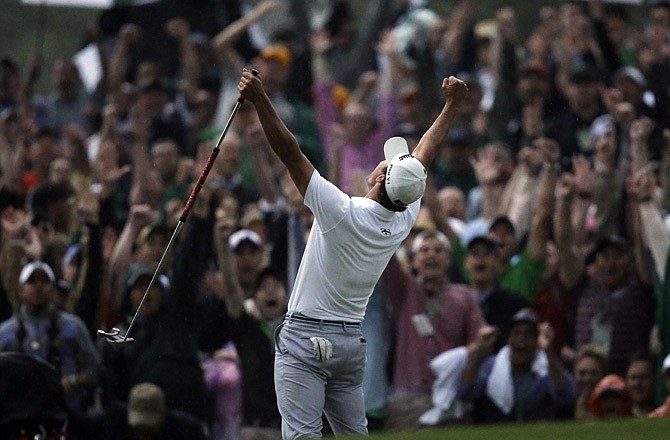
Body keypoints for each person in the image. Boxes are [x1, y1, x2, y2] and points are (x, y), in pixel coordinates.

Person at [237, 68, 468, 438]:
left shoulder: (341, 212)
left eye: (385, 164)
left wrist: (261, 99)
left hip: (305, 340)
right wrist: (451, 108)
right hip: (348, 345)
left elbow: (291, 154)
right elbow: (420, 161)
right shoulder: (403, 218)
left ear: (379, 179)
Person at [456, 308, 577, 423]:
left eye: (528, 334)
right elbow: (465, 392)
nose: (521, 339)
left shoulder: (545, 369)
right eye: (516, 333)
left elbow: (566, 394)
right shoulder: (492, 367)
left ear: (536, 341)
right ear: (508, 339)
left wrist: (549, 352)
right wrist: (478, 351)